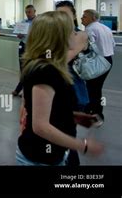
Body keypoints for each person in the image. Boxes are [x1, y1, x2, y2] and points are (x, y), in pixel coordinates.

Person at [16, 11, 104, 166]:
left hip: (52, 154)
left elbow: (52, 109)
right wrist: (82, 146)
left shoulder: (51, 67)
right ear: (59, 37)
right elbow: (41, 126)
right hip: (40, 157)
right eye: (72, 31)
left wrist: (76, 117)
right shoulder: (45, 72)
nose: (76, 34)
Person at [56, 0, 90, 166]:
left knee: (66, 135)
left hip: (73, 94)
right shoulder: (55, 35)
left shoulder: (79, 35)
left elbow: (61, 61)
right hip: (54, 93)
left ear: (74, 16)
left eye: (65, 14)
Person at [81, 9, 115, 126]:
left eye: (84, 17)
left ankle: (95, 113)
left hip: (97, 61)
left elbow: (87, 47)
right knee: (95, 88)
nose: (81, 19)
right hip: (108, 60)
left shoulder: (90, 29)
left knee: (93, 89)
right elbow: (113, 44)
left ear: (93, 18)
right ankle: (91, 110)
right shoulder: (106, 28)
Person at [12, 5, 36, 97]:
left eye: (30, 12)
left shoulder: (38, 22)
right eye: (26, 12)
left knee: (31, 69)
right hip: (23, 45)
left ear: (34, 11)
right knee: (23, 68)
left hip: (33, 47)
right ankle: (21, 88)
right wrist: (19, 35)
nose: (28, 14)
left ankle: (24, 90)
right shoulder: (23, 22)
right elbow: (18, 33)